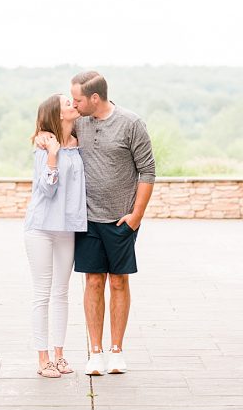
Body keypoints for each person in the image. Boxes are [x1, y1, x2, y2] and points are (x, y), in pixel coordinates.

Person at [69, 70, 155, 376]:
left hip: (121, 219)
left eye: (77, 99)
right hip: (88, 218)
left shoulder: (131, 123)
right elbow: (49, 130)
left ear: (95, 98)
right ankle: (95, 352)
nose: (73, 104)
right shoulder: (77, 122)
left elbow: (147, 171)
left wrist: (136, 217)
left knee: (119, 281)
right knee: (93, 281)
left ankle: (117, 350)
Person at [24, 94, 87, 378]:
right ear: (57, 114)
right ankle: (43, 359)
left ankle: (60, 355)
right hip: (40, 227)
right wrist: (52, 154)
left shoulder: (78, 141)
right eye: (67, 103)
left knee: (62, 293)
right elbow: (47, 189)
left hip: (67, 227)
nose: (73, 105)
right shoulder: (44, 147)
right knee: (42, 293)